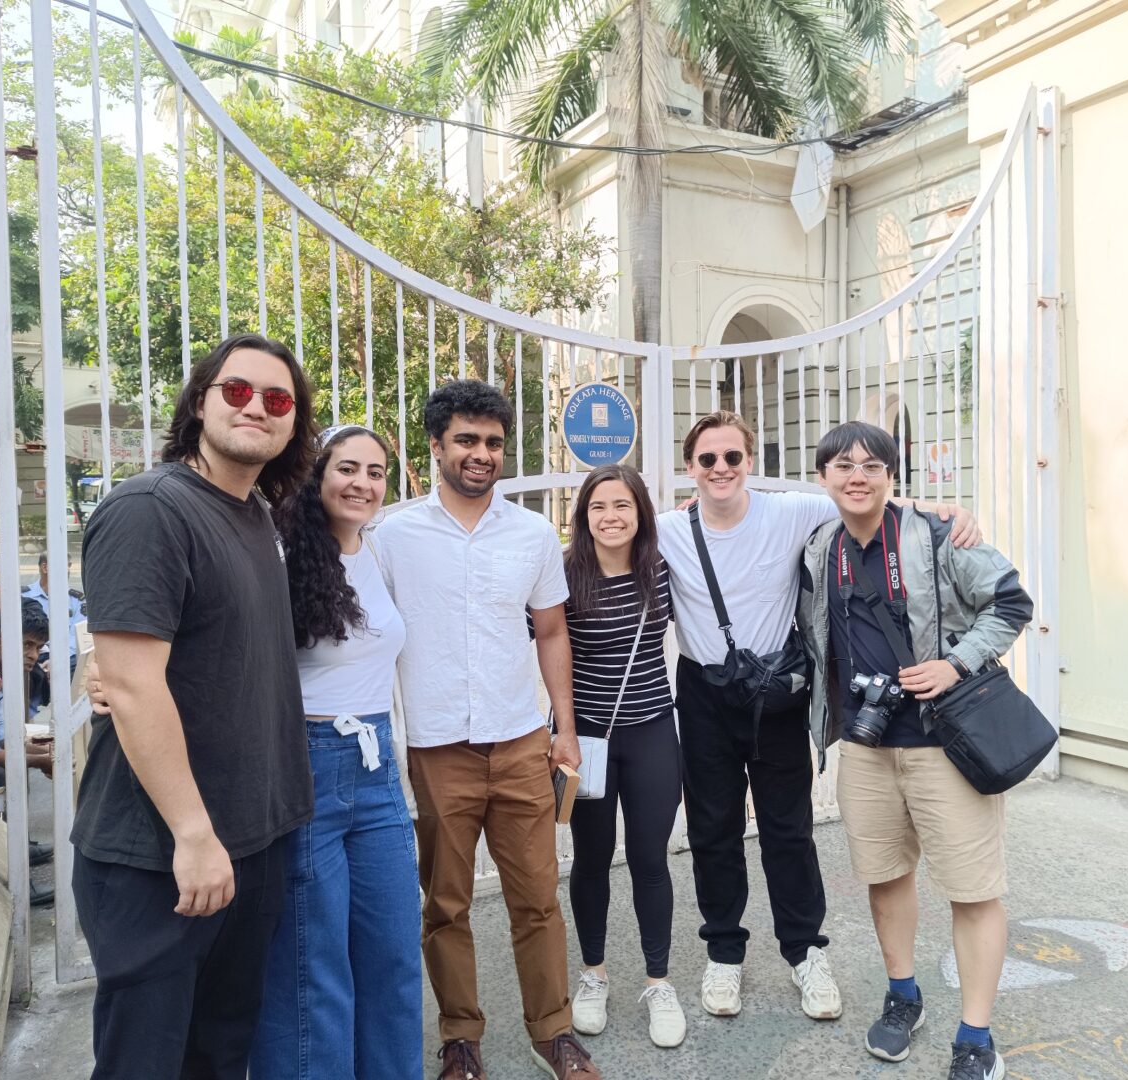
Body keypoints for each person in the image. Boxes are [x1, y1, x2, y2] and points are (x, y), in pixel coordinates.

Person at [655, 410, 979, 1023]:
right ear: (690, 467)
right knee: (712, 830)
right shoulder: (668, 528)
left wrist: (944, 512)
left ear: (750, 461)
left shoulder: (789, 512)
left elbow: (864, 498)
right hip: (704, 694)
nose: (721, 468)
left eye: (732, 457)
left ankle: (805, 952)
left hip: (777, 691)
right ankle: (724, 952)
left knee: (789, 830)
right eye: (708, 459)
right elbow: (604, 536)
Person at [72, 333, 317, 1080]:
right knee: (146, 1062)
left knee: (218, 1054)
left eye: (277, 399)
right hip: (163, 855)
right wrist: (193, 834)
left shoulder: (254, 515)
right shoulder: (150, 509)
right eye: (237, 390)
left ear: (293, 423)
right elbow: (133, 684)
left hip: (248, 843)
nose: (256, 408)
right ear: (200, 402)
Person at [378, 379, 600, 1080]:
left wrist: (564, 729)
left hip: (519, 743)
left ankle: (553, 1032)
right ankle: (460, 1039)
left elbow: (552, 631)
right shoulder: (392, 536)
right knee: (446, 904)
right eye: (467, 440)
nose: (481, 454)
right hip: (437, 749)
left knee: (537, 898)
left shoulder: (531, 533)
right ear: (435, 446)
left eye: (494, 442)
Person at [796, 420, 1031, 1080]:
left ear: (891, 475)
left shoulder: (936, 535)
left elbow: (1010, 601)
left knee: (973, 891)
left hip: (944, 746)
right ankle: (904, 997)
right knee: (886, 876)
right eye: (843, 465)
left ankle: (976, 1037)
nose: (858, 476)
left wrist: (956, 663)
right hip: (866, 747)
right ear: (822, 478)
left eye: (872, 465)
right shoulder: (819, 548)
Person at [248, 424, 422, 1080]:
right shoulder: (280, 554)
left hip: (376, 768)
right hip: (309, 765)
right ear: (318, 474)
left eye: (376, 472)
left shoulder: (377, 551)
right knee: (312, 964)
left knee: (393, 953)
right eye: (347, 468)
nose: (363, 483)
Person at [560, 465, 685, 1049]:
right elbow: (532, 640)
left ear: (641, 513)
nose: (610, 517)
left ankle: (659, 982)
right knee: (590, 858)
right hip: (587, 739)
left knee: (649, 859)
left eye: (622, 505)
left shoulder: (662, 568)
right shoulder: (565, 573)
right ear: (583, 516)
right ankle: (594, 973)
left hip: (652, 731)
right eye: (598, 507)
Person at [0, 595, 56, 905]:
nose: (33, 655)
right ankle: (16, 881)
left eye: (38, 648)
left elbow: (2, 735)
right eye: (27, 645)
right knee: (2, 773)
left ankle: (18, 845)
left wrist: (39, 750)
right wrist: (41, 760)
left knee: (17, 764)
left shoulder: (1, 668)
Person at [23, 551, 86, 672]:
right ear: (45, 568)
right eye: (63, 565)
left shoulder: (77, 600)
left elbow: (77, 637)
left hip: (66, 658)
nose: (68, 570)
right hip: (30, 654)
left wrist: (58, 660)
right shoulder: (23, 595)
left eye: (69, 565)